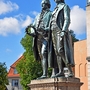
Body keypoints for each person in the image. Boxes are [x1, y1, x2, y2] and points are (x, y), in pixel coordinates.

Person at [26, 0, 58, 79]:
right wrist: (32, 31)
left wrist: (45, 29)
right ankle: (45, 74)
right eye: (42, 4)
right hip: (38, 38)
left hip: (46, 37)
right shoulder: (37, 16)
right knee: (42, 56)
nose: (43, 5)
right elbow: (33, 25)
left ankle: (48, 73)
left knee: (45, 53)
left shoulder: (51, 14)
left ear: (48, 5)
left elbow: (53, 25)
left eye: (44, 4)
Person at [50, 0, 75, 77]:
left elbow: (67, 19)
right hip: (53, 32)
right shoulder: (54, 9)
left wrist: (64, 30)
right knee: (57, 52)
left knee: (61, 50)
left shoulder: (65, 6)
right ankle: (61, 71)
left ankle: (70, 70)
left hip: (60, 30)